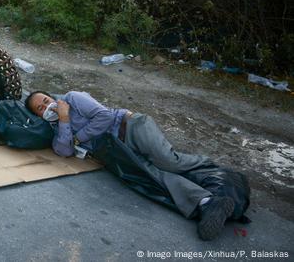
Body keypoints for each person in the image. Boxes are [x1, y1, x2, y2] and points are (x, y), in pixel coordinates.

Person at [25, 90, 244, 241]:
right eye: (39, 108)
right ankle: (207, 203)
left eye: (45, 100)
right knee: (154, 176)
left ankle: (207, 165)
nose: (46, 106)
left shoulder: (73, 98)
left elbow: (104, 116)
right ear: (39, 115)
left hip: (130, 127)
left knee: (168, 162)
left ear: (51, 97)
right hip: (117, 151)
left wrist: (77, 136)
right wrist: (63, 121)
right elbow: (64, 151)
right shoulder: (56, 129)